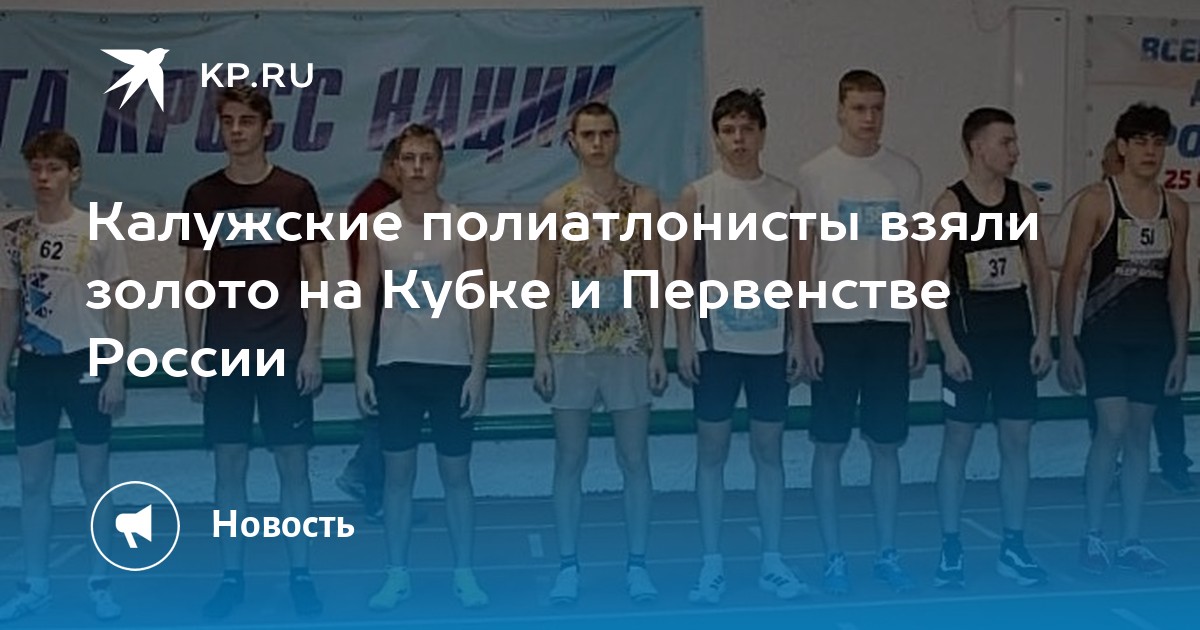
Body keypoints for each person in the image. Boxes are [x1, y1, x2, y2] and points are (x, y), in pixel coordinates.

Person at [181, 85, 327, 618]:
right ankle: (231, 576)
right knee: (229, 467)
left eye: (246, 121)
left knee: (293, 464)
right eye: (228, 121)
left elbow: (315, 274)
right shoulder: (202, 195)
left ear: (267, 128)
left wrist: (312, 348)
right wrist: (194, 351)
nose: (236, 130)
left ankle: (301, 573)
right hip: (224, 351)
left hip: (286, 348)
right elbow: (193, 277)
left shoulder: (296, 191)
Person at [353, 124, 494, 611]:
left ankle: (465, 573)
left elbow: (480, 300)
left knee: (457, 475)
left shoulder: (464, 224)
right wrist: (361, 368)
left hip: (451, 367)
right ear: (395, 166)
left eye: (426, 158)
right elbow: (363, 300)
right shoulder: (376, 226)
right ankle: (396, 574)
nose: (417, 167)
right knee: (397, 477)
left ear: (440, 166)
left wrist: (478, 369)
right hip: (395, 368)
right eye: (408, 158)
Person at [674, 89, 806, 604]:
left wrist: (799, 338)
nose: (738, 139)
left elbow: (797, 276)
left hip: (771, 345)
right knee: (712, 452)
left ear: (762, 134)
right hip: (716, 345)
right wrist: (685, 340)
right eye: (729, 130)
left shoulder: (787, 196)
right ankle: (712, 563)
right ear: (716, 137)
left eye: (747, 129)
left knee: (769, 451)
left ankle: (772, 560)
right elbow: (683, 272)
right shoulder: (697, 195)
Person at [797, 69, 926, 596]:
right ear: (840, 110)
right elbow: (801, 261)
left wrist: (917, 324)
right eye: (859, 108)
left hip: (890, 326)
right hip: (832, 325)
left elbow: (914, 254)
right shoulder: (814, 175)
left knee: (886, 444)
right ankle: (833, 556)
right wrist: (804, 332)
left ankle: (888, 552)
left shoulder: (905, 173)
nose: (869, 118)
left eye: (877, 108)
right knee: (829, 445)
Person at [533, 102, 668, 605]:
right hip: (571, 346)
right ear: (572, 140)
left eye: (606, 133)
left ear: (618, 137)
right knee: (570, 458)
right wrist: (540, 353)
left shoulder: (645, 201)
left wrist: (657, 349)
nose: (597, 143)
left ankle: (638, 565)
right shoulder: (555, 205)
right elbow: (544, 283)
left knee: (634, 458)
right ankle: (568, 566)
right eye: (587, 134)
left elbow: (653, 279)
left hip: (629, 345)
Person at [0, 130, 128, 622]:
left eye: (53, 168)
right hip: (35, 367)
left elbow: (118, 307)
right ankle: (35, 584)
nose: (43, 177)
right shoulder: (15, 235)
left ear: (74, 174)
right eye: (35, 168)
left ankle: (101, 581)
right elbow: (8, 309)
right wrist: (1, 374)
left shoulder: (100, 232)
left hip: (87, 362)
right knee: (33, 482)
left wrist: (116, 372)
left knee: (95, 479)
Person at [1057, 103, 1188, 577]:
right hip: (1104, 336)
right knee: (1111, 428)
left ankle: (1131, 539)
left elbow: (1178, 281)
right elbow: (1070, 275)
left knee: (1138, 436)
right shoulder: (1097, 201)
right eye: (1141, 142)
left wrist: (1179, 350)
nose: (1150, 151)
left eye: (1158, 142)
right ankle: (1092, 534)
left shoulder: (1176, 209)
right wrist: (1067, 343)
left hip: (1152, 339)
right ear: (1123, 147)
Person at [925, 108, 1053, 589]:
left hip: (1016, 343)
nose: (1015, 151)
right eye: (1006, 142)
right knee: (957, 443)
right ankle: (950, 547)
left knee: (1017, 442)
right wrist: (949, 347)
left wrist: (1042, 335)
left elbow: (1040, 273)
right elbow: (931, 283)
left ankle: (1013, 545)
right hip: (968, 347)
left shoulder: (1024, 200)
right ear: (977, 147)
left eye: (1015, 142)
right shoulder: (949, 205)